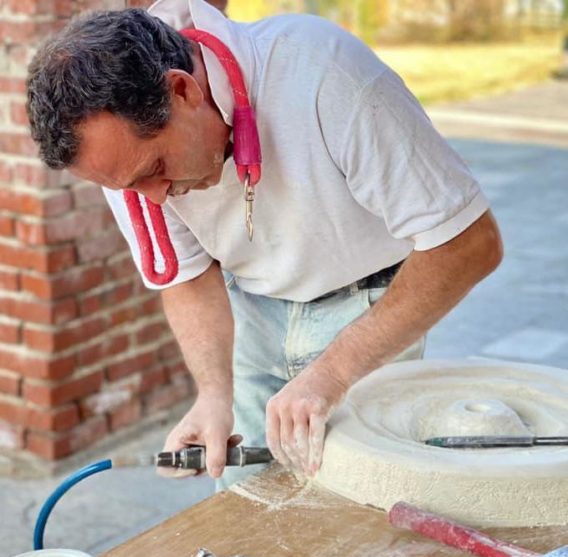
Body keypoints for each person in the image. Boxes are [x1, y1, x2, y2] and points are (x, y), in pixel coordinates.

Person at [26, 0, 503, 489]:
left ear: (182, 89)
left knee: (359, 505)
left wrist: (333, 373)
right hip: (252, 310)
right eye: (129, 186)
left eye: (154, 170)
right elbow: (187, 277)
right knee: (248, 505)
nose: (156, 198)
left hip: (371, 304)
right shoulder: (121, 158)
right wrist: (213, 395)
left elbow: (469, 241)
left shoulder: (323, 73)